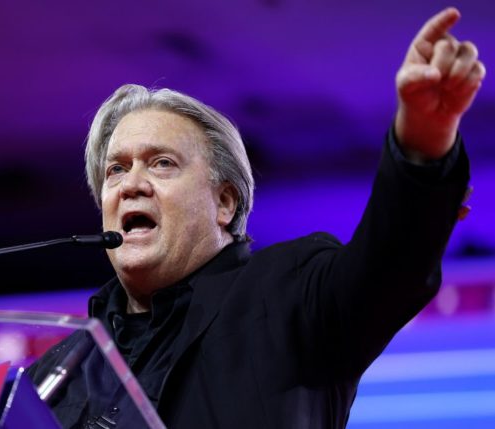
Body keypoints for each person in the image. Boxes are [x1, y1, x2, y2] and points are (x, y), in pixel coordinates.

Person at [28, 7, 485, 428]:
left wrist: (423, 142)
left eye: (162, 163)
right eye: (116, 170)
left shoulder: (290, 293)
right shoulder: (56, 374)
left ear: (225, 202)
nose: (131, 184)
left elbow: (389, 267)